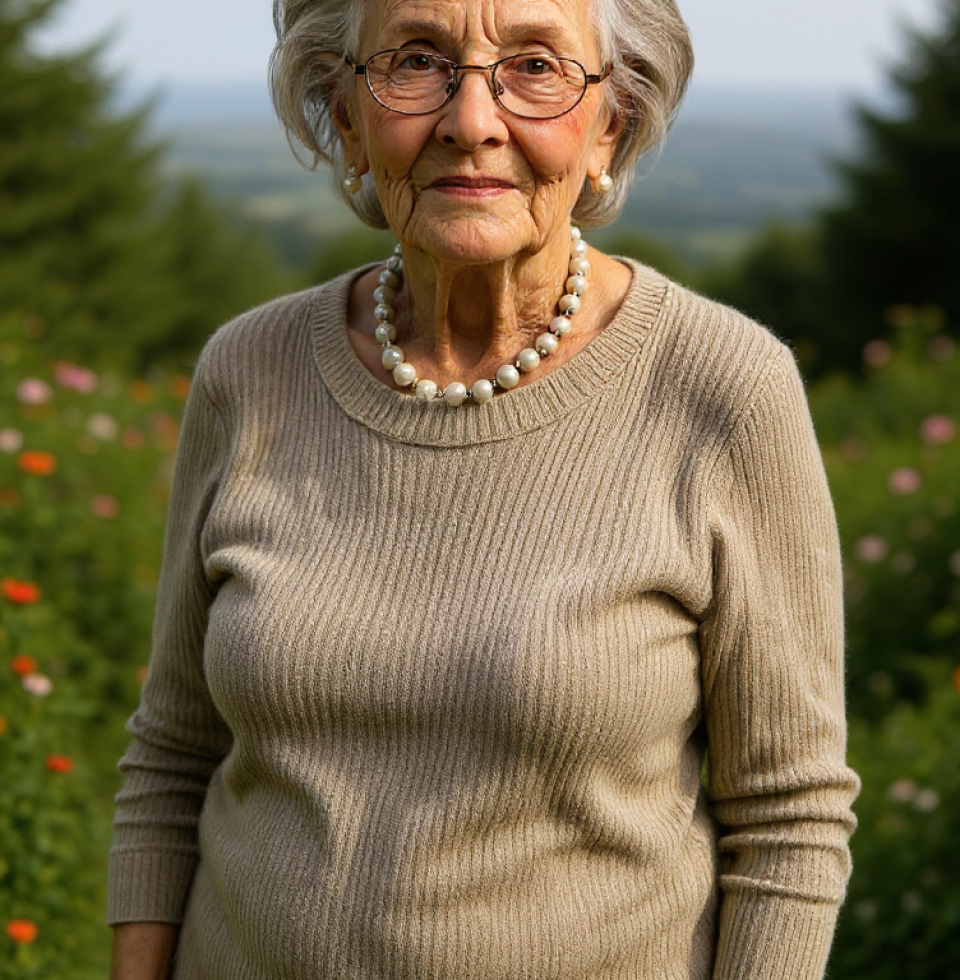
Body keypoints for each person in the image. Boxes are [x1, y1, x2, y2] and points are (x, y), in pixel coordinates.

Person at [107, 0, 860, 977]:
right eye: (417, 60)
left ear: (611, 125)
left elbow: (790, 819)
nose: (472, 119)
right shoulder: (247, 371)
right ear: (346, 116)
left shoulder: (723, 387)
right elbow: (171, 754)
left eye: (536, 66)